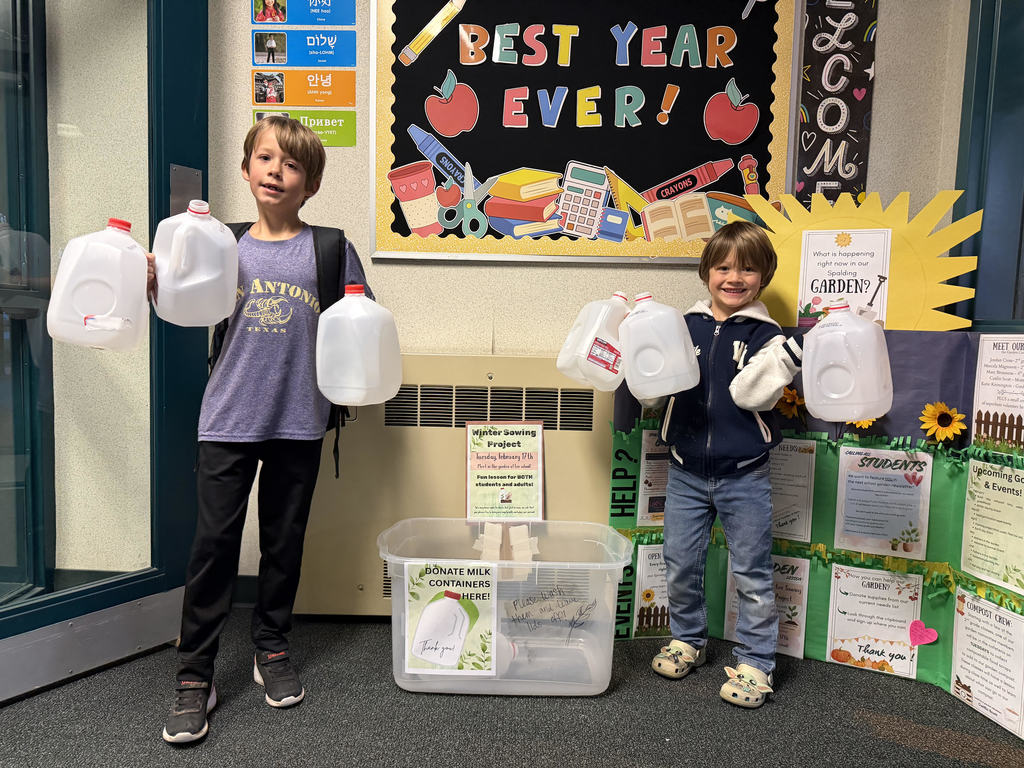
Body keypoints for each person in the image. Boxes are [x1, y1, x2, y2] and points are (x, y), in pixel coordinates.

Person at [153, 116, 372, 744]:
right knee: (214, 546)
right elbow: (176, 299)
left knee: (283, 542)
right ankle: (195, 674)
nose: (276, 170)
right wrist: (150, 280)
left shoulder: (329, 248)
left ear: (311, 183)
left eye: (292, 164)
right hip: (228, 416)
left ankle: (271, 648)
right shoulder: (219, 243)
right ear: (247, 169)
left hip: (299, 419)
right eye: (266, 158)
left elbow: (359, 321)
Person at [649, 220, 802, 709]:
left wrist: (787, 356)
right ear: (706, 272)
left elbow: (748, 394)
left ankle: (757, 663)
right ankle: (688, 639)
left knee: (752, 572)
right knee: (678, 561)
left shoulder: (767, 336)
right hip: (686, 471)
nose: (735, 278)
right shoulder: (681, 325)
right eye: (724, 267)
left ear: (764, 276)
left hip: (744, 473)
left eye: (749, 269)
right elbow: (652, 390)